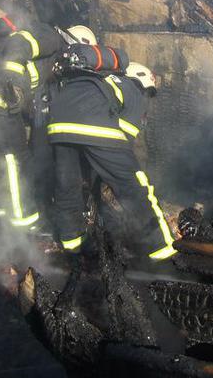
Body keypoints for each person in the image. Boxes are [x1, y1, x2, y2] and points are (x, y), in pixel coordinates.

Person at [47, 59, 176, 261]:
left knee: (68, 184)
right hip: (94, 125)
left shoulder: (102, 81)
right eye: (148, 93)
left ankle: (72, 245)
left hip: (58, 122)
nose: (147, 98)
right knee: (133, 185)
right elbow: (123, 142)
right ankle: (163, 247)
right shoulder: (133, 89)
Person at [0, 14, 71, 229]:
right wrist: (15, 85)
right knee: (16, 159)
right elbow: (18, 46)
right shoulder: (51, 37)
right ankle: (23, 222)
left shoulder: (49, 49)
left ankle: (3, 213)